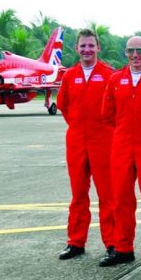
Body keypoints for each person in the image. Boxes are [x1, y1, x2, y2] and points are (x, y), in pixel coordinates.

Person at [100, 36, 141, 267]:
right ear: (125, 53)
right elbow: (107, 114)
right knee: (120, 199)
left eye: (140, 50)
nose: (135, 55)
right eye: (130, 51)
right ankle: (123, 247)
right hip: (122, 146)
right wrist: (123, 134)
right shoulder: (116, 79)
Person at [57, 28, 116, 261]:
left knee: (107, 195)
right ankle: (75, 242)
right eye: (83, 45)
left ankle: (113, 242)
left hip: (103, 141)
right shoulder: (69, 76)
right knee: (78, 194)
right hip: (77, 142)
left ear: (98, 48)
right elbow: (63, 105)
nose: (87, 49)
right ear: (77, 48)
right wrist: (78, 127)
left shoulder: (110, 75)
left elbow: (115, 110)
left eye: (91, 45)